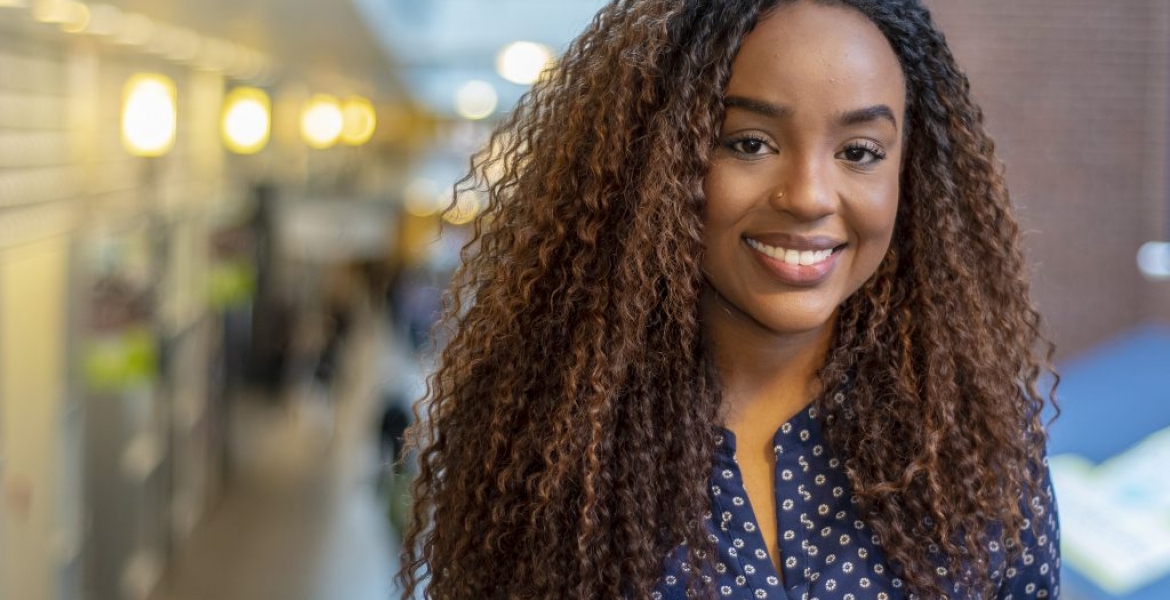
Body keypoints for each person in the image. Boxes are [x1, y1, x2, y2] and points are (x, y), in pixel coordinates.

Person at [399, 0, 1060, 598]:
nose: (809, 195)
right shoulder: (548, 444)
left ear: (909, 176)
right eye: (750, 143)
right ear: (657, 159)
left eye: (859, 152)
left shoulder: (981, 450)